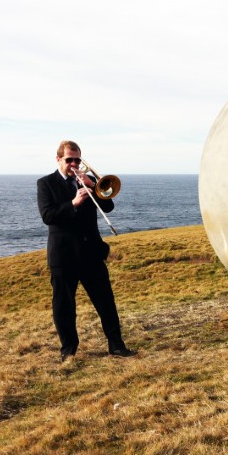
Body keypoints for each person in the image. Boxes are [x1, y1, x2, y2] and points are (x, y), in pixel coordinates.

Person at [37, 140, 135, 361]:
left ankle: (117, 346)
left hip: (91, 253)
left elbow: (108, 206)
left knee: (106, 302)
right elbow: (48, 216)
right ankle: (68, 350)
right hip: (63, 256)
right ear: (58, 159)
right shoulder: (46, 183)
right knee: (64, 307)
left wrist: (92, 186)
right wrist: (72, 203)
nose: (73, 164)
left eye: (77, 160)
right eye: (68, 159)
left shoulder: (86, 181)